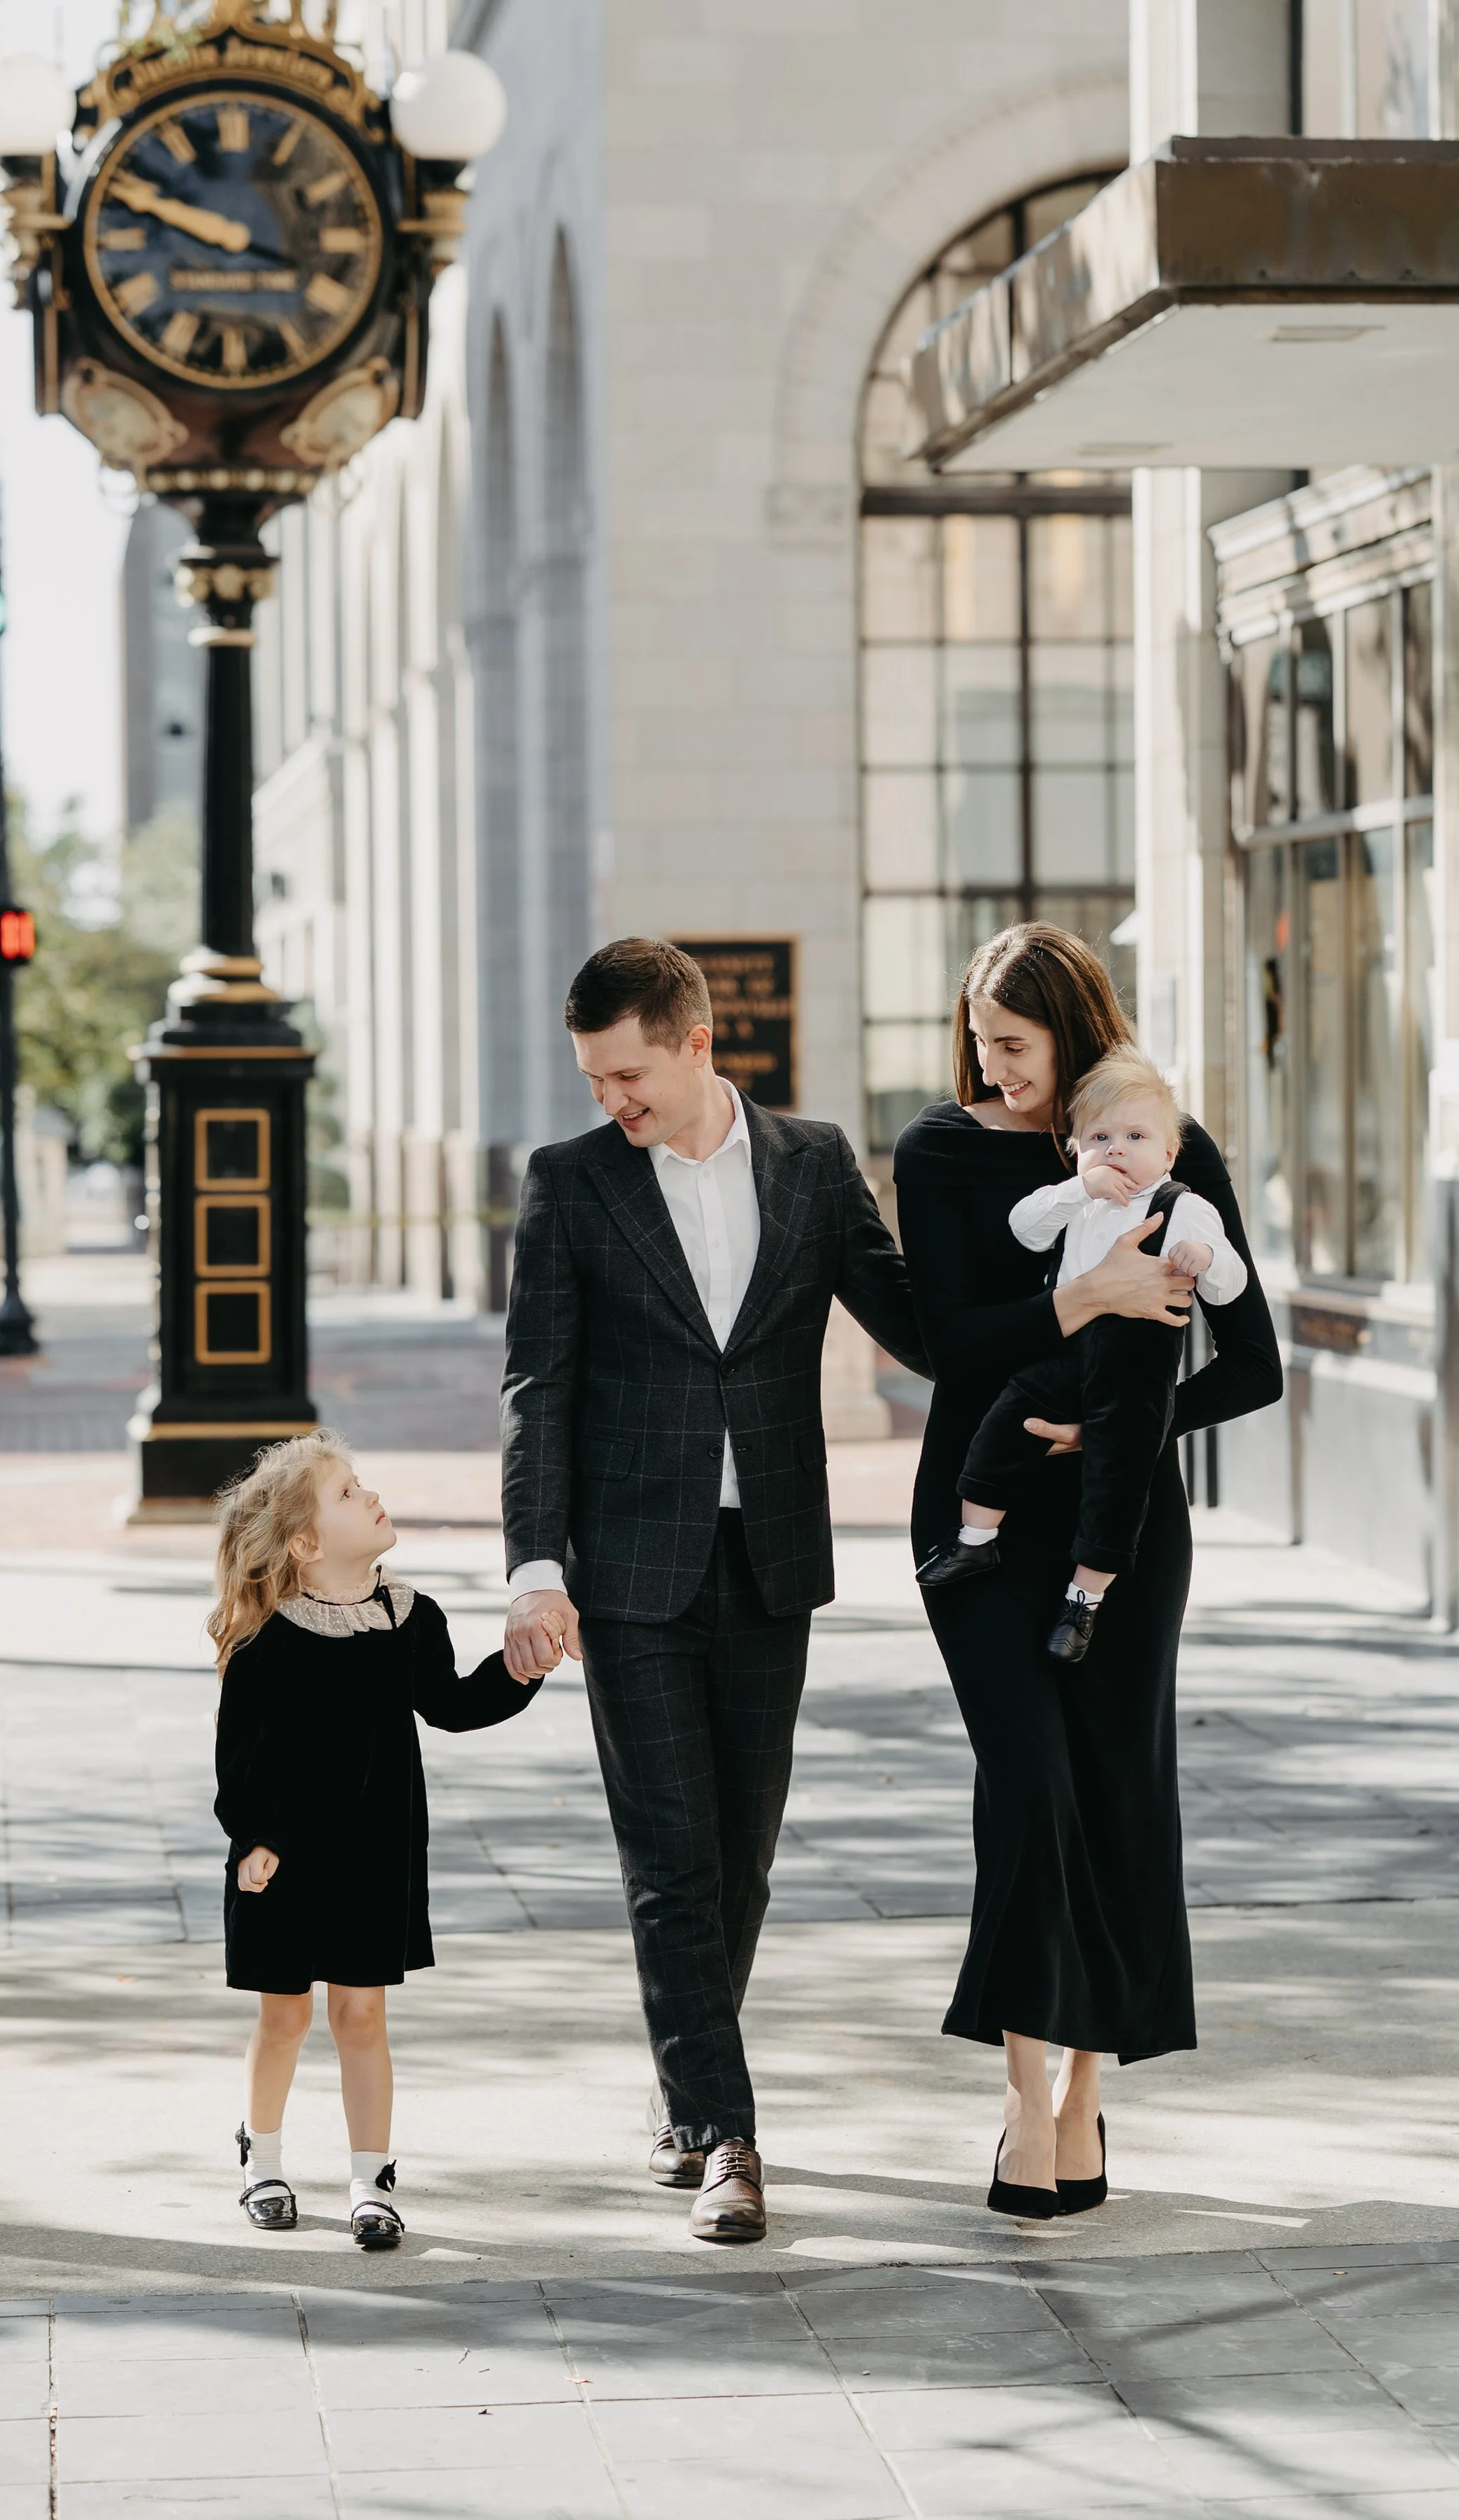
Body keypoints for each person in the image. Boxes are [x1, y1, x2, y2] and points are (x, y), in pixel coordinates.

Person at [501, 938, 930, 2245]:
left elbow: (913, 1321)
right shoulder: (570, 1183)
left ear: (694, 1042)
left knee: (739, 1849)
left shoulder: (811, 1162)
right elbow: (540, 1385)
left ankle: (686, 2085)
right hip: (628, 1570)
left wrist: (1071, 1308)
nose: (609, 1100)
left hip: (770, 1560)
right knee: (668, 1858)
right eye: (591, 1077)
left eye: (625, 1071)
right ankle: (729, 2134)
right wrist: (534, 1567)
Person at [894, 923, 1281, 2221]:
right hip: (979, 1520)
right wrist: (1092, 1295)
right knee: (1030, 1786)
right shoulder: (943, 1152)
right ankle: (1020, 2092)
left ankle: (1082, 2094)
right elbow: (950, 1341)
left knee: (1117, 1791)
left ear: (1075, 1032)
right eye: (982, 1041)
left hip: (1123, 1528)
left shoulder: (1169, 1138)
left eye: (1019, 1044)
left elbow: (1252, 1359)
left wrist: (1129, 1425)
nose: (996, 1066)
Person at [211, 1429, 548, 2250]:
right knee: (285, 2017)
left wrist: (518, 1671)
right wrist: (252, 1836)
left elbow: (454, 1704)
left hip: (374, 1853)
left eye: (361, 1484)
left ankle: (372, 2180)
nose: (370, 1496)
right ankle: (264, 2159)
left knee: (362, 2015)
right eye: (347, 1492)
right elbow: (237, 1755)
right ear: (306, 1541)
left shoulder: (410, 1618)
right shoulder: (269, 1637)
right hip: (282, 1860)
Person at [919, 1048, 1246, 1662]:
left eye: (1136, 1135)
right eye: (1099, 1136)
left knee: (1118, 1482)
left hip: (1136, 1365)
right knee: (1007, 1421)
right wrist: (1077, 1187)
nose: (1117, 1148)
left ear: (1169, 1153)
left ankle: (1084, 1600)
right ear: (1075, 1147)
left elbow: (1232, 1284)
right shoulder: (1079, 1202)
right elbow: (1025, 1227)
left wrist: (1205, 1260)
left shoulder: (1184, 1207)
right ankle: (975, 1535)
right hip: (1069, 1348)